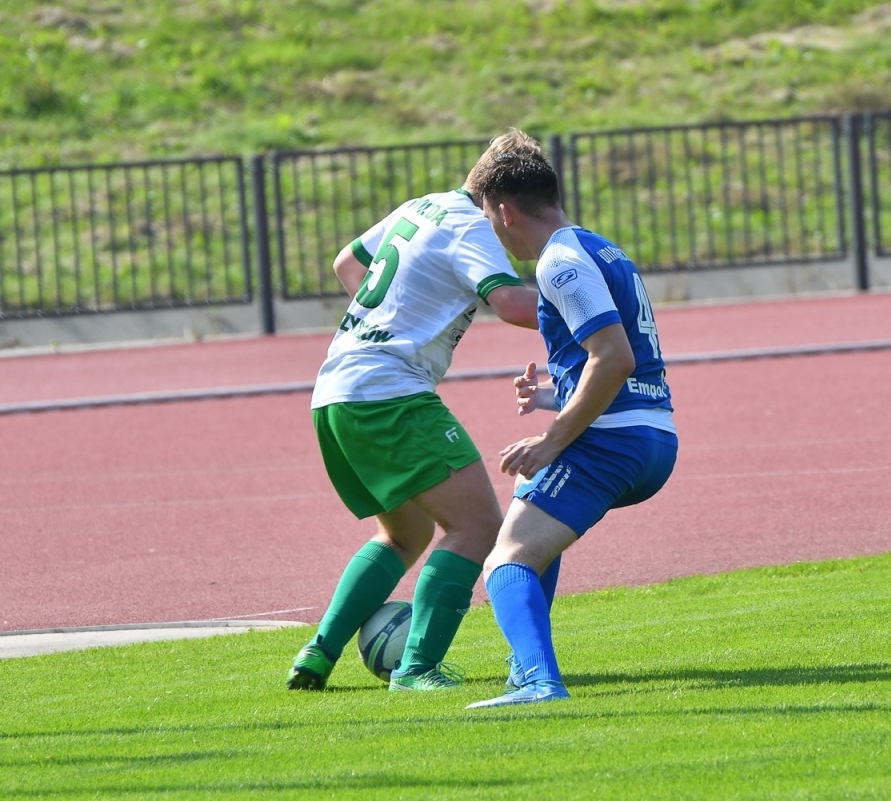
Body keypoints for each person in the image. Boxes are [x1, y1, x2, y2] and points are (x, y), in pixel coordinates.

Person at [286, 178, 540, 692]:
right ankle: (417, 667)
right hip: (389, 393)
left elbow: (347, 264)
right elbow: (512, 304)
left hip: (335, 390)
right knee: (477, 527)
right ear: (503, 204)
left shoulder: (422, 207)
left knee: (406, 534)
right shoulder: (472, 224)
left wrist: (392, 321)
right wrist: (594, 309)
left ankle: (319, 650)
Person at [464, 130, 678, 708]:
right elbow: (620, 363)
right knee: (531, 532)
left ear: (505, 212)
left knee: (505, 561)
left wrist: (552, 439)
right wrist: (553, 396)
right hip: (651, 434)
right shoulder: (601, 248)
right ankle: (526, 669)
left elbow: (614, 357)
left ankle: (538, 681)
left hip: (613, 442)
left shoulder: (559, 263)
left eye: (486, 217)